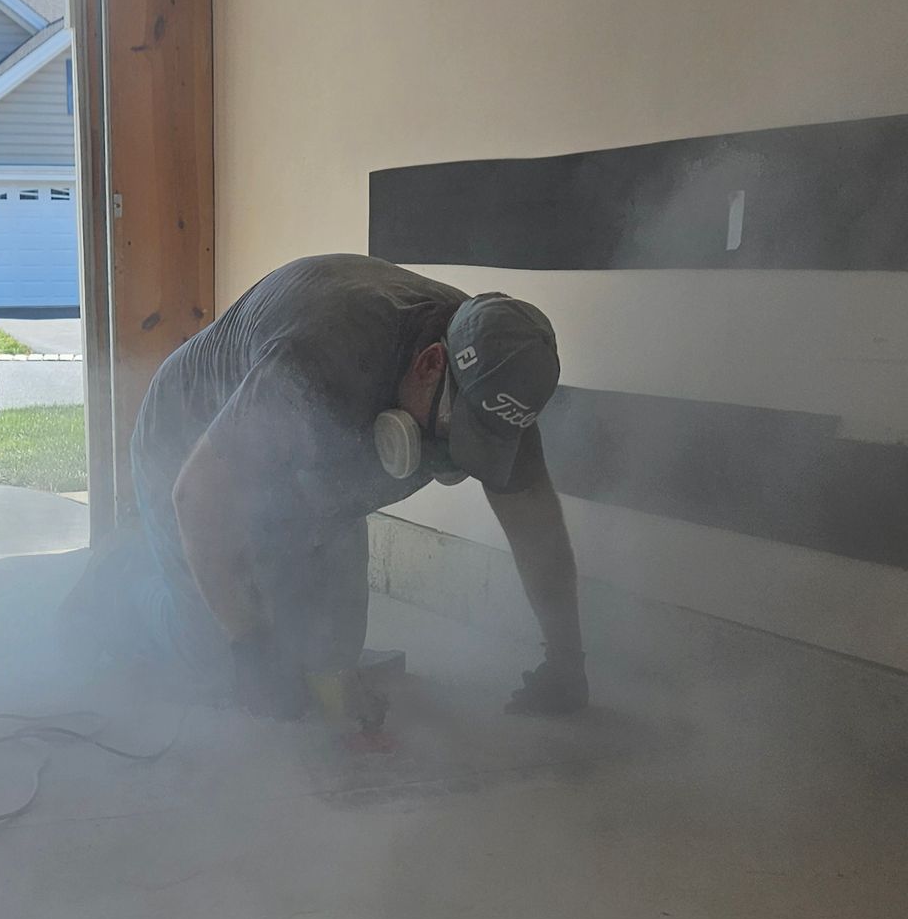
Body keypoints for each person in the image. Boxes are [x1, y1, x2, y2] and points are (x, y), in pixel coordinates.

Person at [64, 253, 586, 718]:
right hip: (193, 437)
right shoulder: (322, 359)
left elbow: (536, 531)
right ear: (430, 363)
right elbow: (199, 496)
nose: (449, 460)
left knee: (330, 655)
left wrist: (565, 659)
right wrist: (249, 648)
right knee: (214, 654)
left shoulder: (501, 382)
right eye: (454, 434)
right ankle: (122, 578)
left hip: (312, 458)